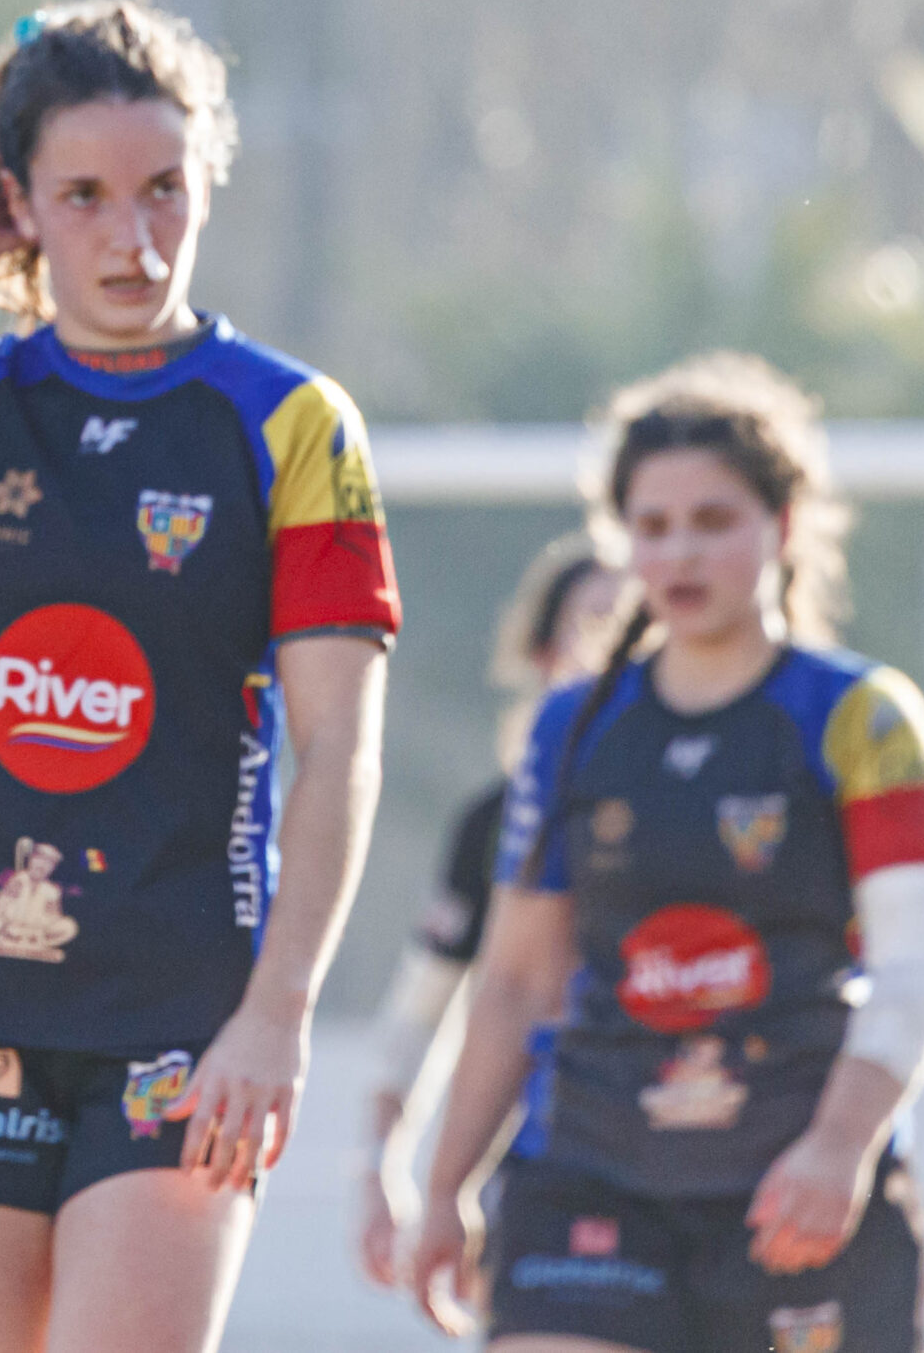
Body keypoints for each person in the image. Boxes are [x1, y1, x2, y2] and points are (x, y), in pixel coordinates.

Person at [0, 0, 400, 1353]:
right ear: (17, 199)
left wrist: (278, 1014)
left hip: (186, 1023)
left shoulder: (291, 423)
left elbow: (340, 751)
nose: (132, 238)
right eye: (82, 195)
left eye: (164, 190)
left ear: (208, 183)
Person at [405, 353, 924, 1353]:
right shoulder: (571, 729)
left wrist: (838, 1146)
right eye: (653, 526)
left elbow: (919, 965)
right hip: (590, 1175)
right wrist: (446, 1185)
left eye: (713, 521)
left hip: (793, 1184)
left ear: (782, 527)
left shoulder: (864, 718)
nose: (680, 553)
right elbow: (514, 980)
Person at [354, 534, 621, 1291]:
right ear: (543, 653)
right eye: (596, 623)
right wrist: (385, 1168)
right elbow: (423, 1009)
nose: (619, 648)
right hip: (541, 1173)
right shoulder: (496, 822)